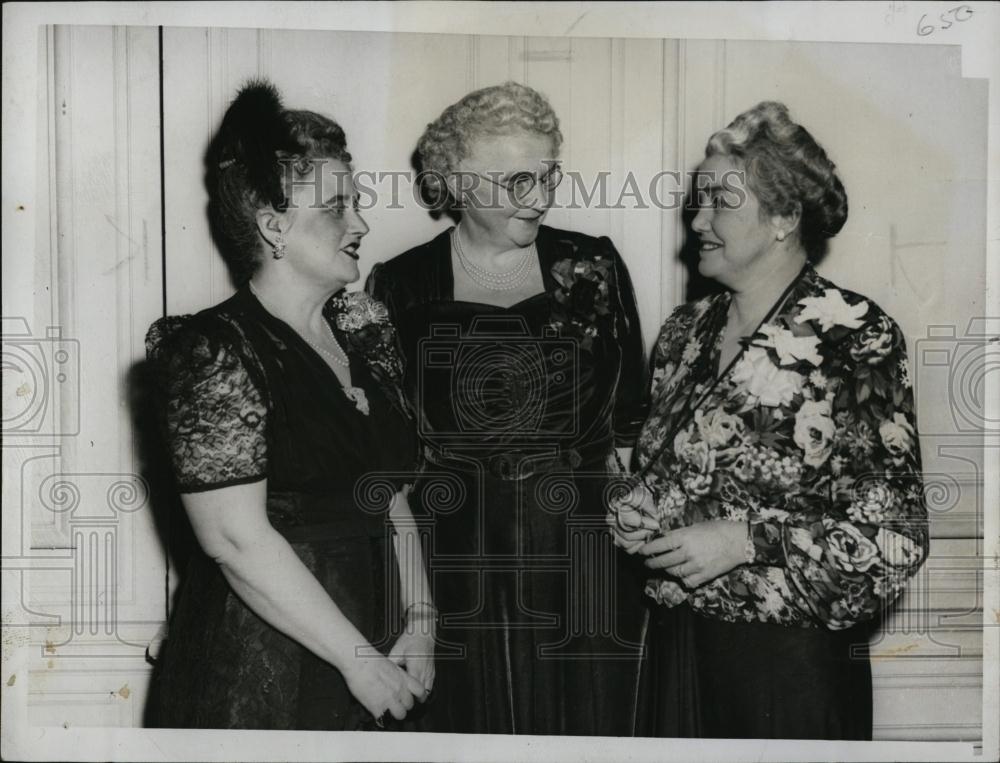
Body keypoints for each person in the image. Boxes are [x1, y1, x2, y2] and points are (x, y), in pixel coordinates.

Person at [609, 101, 928, 740]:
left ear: (784, 216)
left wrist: (748, 540)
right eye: (697, 203)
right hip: (676, 652)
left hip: (787, 670)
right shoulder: (683, 332)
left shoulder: (855, 337)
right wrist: (630, 504)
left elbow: (897, 541)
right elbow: (657, 474)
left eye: (720, 203)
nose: (697, 221)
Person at [145, 81, 434, 730]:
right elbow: (234, 539)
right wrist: (358, 659)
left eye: (355, 204)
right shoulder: (213, 351)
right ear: (273, 226)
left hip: (378, 645)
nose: (359, 223)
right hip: (269, 658)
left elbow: (389, 492)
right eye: (336, 208)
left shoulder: (362, 331)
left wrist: (422, 618)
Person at [367, 81, 649, 735]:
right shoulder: (401, 285)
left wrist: (635, 502)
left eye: (548, 174)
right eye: (517, 180)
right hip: (452, 559)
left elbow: (631, 426)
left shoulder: (594, 266)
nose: (541, 196)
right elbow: (388, 455)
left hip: (582, 558)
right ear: (458, 182)